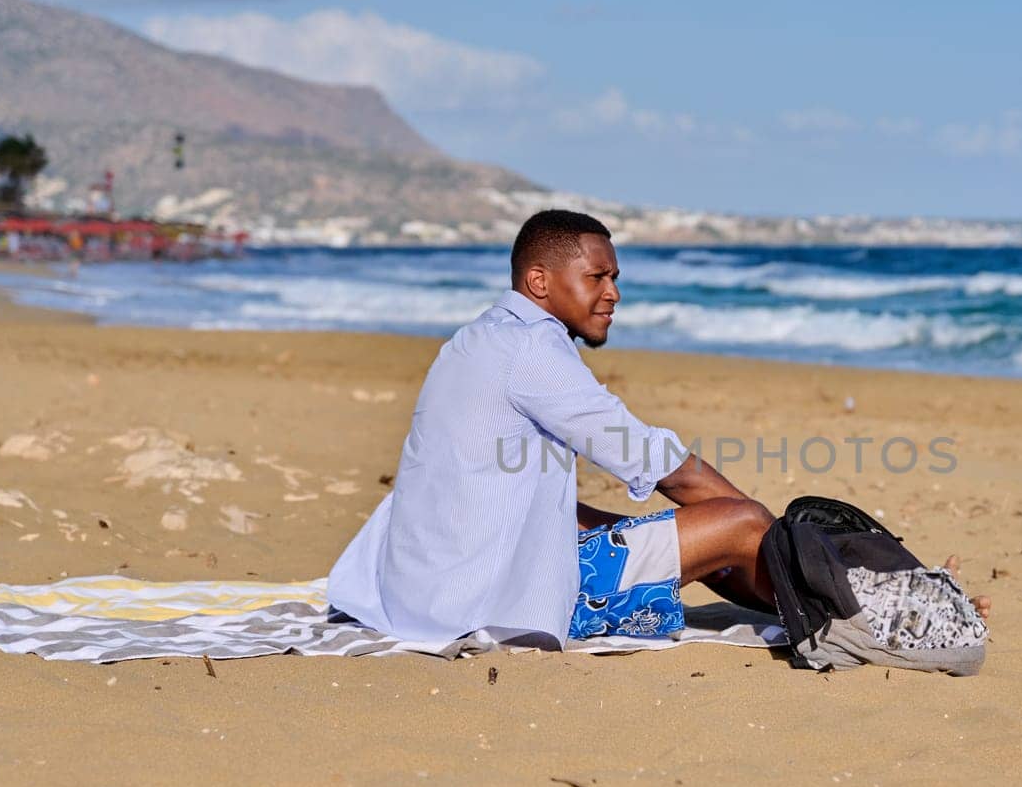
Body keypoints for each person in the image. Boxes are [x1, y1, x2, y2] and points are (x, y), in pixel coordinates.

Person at [326, 209, 780, 647]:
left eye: (615, 278)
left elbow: (508, 492)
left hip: (418, 593)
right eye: (596, 277)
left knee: (659, 529)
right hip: (489, 603)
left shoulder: (476, 338)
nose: (613, 293)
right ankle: (819, 590)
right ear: (539, 281)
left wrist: (651, 530)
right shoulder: (533, 348)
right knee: (743, 522)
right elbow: (659, 464)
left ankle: (798, 584)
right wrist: (776, 537)